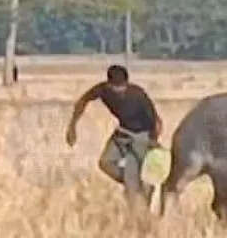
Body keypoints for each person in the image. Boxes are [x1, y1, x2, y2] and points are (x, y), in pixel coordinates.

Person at [66, 65, 163, 207]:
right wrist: (72, 127)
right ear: (109, 84)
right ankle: (136, 183)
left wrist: (153, 141)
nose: (120, 91)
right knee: (105, 163)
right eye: (116, 87)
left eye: (123, 86)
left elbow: (156, 121)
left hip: (141, 136)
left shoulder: (137, 95)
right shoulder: (103, 90)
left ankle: (139, 194)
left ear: (127, 83)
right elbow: (83, 101)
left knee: (133, 187)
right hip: (122, 132)